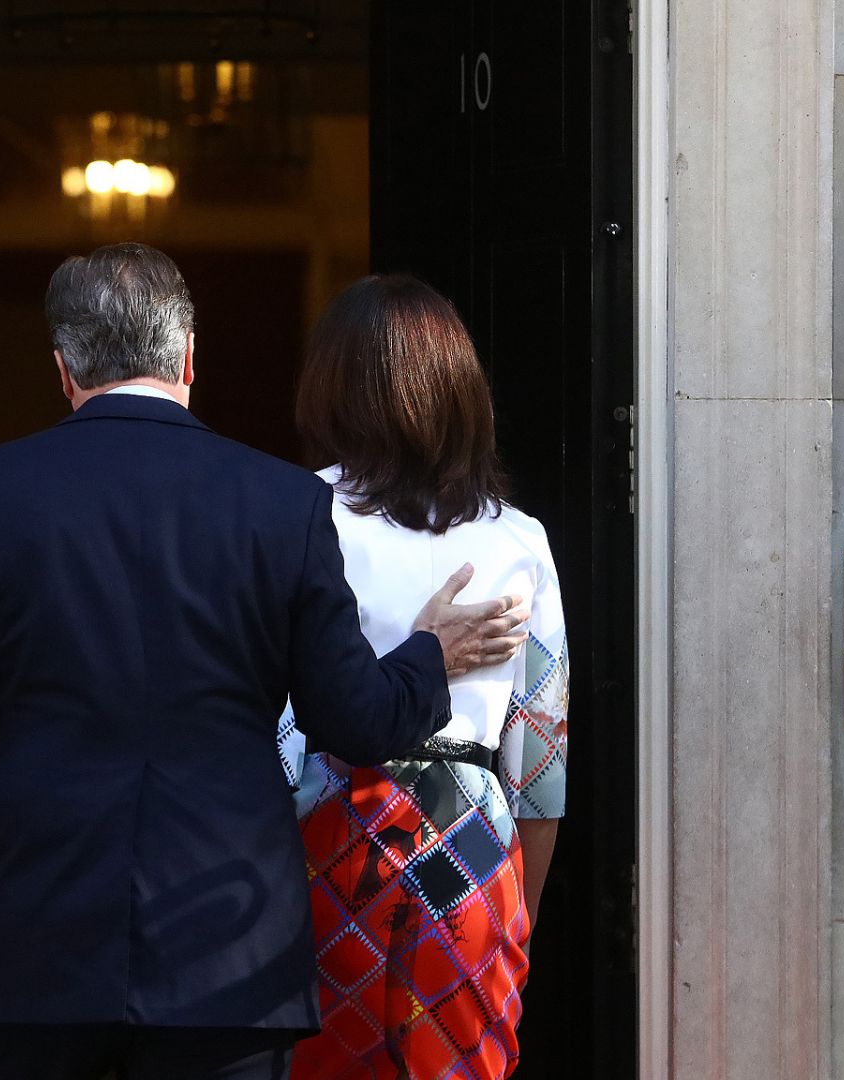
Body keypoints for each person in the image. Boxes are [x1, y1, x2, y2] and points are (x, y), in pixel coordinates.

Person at [0, 243, 531, 1080]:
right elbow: (355, 720)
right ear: (189, 360)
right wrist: (429, 655)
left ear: (62, 370)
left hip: (32, 958)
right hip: (229, 968)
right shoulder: (284, 505)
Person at [276, 275, 569, 1079]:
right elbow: (539, 769)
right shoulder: (522, 542)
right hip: (471, 860)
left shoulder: (298, 513)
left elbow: (271, 730)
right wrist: (517, 914)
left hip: (328, 846)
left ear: (332, 388)